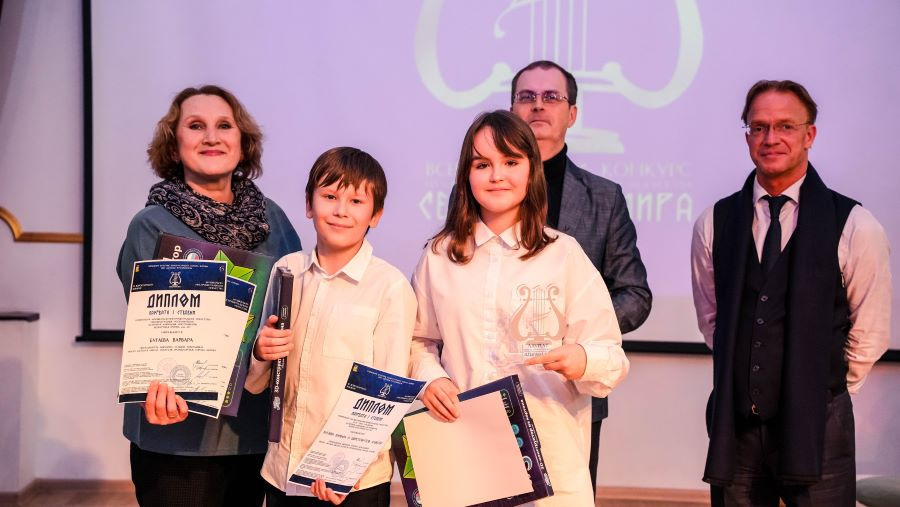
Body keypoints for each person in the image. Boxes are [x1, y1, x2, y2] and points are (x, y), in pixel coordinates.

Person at [410, 110, 629, 506]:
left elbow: (611, 358)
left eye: (511, 162)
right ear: (466, 175)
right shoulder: (440, 256)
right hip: (465, 450)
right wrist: (431, 379)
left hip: (549, 458)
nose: (497, 175)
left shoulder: (563, 255)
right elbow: (417, 340)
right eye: (482, 164)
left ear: (532, 171)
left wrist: (581, 359)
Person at [691, 80, 891, 505]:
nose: (771, 138)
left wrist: (821, 388)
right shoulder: (715, 221)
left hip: (821, 423)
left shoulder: (855, 225)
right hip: (736, 427)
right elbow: (713, 321)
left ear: (809, 135)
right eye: (759, 127)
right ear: (748, 135)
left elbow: (870, 332)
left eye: (785, 126)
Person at [116, 85, 301, 507]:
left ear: (243, 142)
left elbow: (292, 308)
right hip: (177, 434)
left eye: (224, 126)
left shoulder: (273, 220)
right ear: (174, 145)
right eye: (196, 126)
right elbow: (152, 333)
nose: (212, 137)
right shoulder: (151, 224)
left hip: (251, 434)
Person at [245, 147, 416, 507]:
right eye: (329, 197)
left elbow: (388, 393)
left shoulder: (389, 287)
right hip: (282, 470)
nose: (341, 210)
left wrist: (347, 468)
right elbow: (257, 383)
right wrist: (261, 351)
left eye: (356, 201)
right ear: (309, 204)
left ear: (376, 215)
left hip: (352, 482)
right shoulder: (287, 270)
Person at [510, 60, 651, 491]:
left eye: (551, 97)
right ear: (511, 110)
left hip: (572, 386)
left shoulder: (604, 198)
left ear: (572, 114)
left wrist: (578, 335)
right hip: (490, 382)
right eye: (527, 97)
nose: (538, 106)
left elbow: (634, 294)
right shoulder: (481, 188)